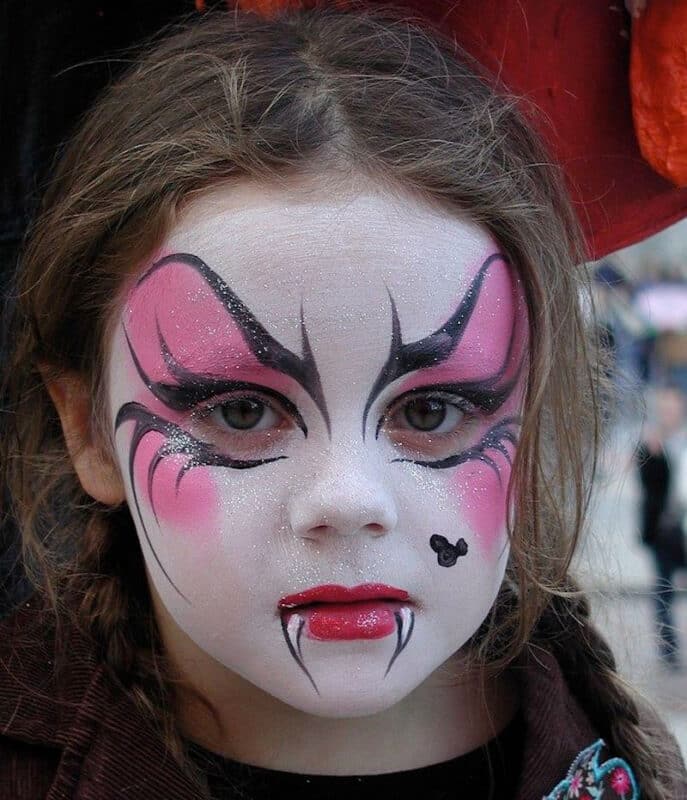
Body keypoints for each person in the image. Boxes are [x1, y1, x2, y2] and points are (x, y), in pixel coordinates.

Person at [0, 7, 684, 800]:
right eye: (241, 412)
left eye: (430, 412)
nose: (349, 499)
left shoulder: (632, 763)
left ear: (532, 417)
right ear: (87, 428)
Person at [637, 386, 687, 667]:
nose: (669, 413)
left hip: (684, 527)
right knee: (664, 590)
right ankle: (669, 649)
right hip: (663, 530)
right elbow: (646, 486)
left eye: (673, 408)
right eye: (664, 408)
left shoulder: (683, 442)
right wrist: (651, 456)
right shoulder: (651, 444)